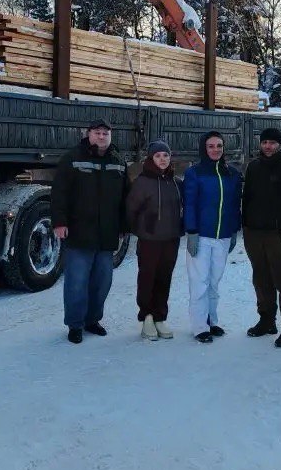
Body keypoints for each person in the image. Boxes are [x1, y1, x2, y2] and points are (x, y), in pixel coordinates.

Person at [52, 118, 130, 344]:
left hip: (106, 235)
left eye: (106, 133)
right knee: (77, 281)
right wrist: (59, 222)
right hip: (79, 232)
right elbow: (59, 193)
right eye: (97, 132)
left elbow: (126, 197)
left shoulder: (118, 161)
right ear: (88, 134)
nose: (102, 136)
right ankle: (75, 324)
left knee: (101, 281)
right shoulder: (72, 158)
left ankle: (92, 320)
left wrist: (124, 226)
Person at [242, 127, 281, 349]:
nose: (268, 146)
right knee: (261, 279)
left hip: (278, 236)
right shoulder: (253, 167)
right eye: (264, 142)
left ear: (280, 145)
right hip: (254, 234)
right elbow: (247, 198)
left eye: (272, 142)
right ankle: (267, 320)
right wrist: (246, 226)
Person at [183, 130, 243, 343]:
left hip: (223, 235)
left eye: (219, 146)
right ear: (203, 148)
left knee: (214, 282)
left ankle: (212, 320)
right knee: (199, 281)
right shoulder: (195, 173)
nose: (216, 150)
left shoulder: (232, 174)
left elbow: (235, 204)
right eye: (211, 146)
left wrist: (234, 229)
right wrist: (191, 231)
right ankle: (199, 326)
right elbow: (189, 203)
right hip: (201, 235)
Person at [126, 139, 183, 341]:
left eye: (166, 155)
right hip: (150, 239)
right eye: (158, 156)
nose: (162, 159)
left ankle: (160, 316)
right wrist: (141, 230)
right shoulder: (142, 181)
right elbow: (131, 210)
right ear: (151, 158)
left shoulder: (174, 182)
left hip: (171, 239)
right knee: (147, 277)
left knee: (164, 278)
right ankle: (147, 317)